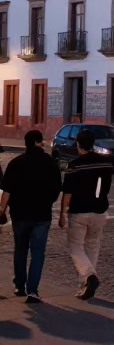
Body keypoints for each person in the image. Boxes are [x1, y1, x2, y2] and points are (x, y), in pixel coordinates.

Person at [0, 129, 62, 304]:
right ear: (39, 142)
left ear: (26, 143)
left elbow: (7, 190)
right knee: (38, 253)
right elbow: (57, 188)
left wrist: (2, 210)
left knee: (20, 250)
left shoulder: (16, 163)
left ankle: (19, 285)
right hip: (42, 215)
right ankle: (33, 291)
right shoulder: (50, 164)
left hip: (19, 214)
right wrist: (48, 201)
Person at [59, 127, 113, 301]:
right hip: (100, 210)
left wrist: (62, 213)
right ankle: (85, 285)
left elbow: (67, 192)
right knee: (92, 246)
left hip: (79, 212)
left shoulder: (73, 165)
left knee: (75, 246)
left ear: (78, 144)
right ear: (93, 144)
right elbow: (106, 187)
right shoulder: (106, 163)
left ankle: (89, 277)